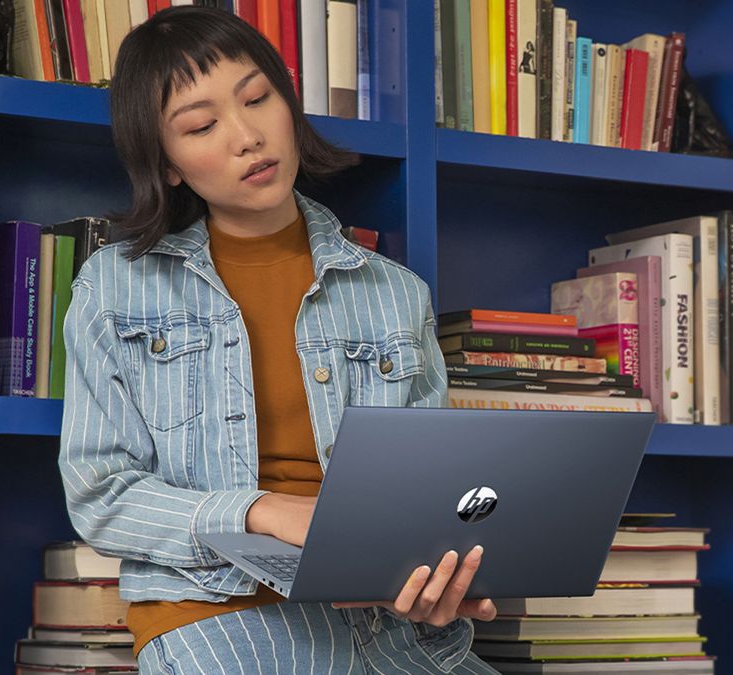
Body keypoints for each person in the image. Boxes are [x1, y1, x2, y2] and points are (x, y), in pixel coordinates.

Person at [59, 6, 500, 673]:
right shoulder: (116, 287)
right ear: (168, 163)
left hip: (378, 621)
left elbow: (426, 493)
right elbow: (102, 494)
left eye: (257, 98)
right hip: (214, 613)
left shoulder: (395, 292)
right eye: (202, 125)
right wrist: (263, 510)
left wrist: (432, 581)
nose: (246, 136)